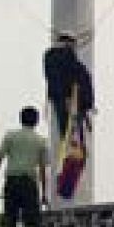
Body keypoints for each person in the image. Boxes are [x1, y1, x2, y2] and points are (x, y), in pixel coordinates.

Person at [43, 31, 95, 200]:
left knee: (68, 137)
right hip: (70, 101)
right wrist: (87, 105)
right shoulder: (70, 61)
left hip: (63, 100)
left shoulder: (50, 57)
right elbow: (81, 79)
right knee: (71, 139)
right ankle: (66, 180)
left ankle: (65, 178)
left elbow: (53, 77)